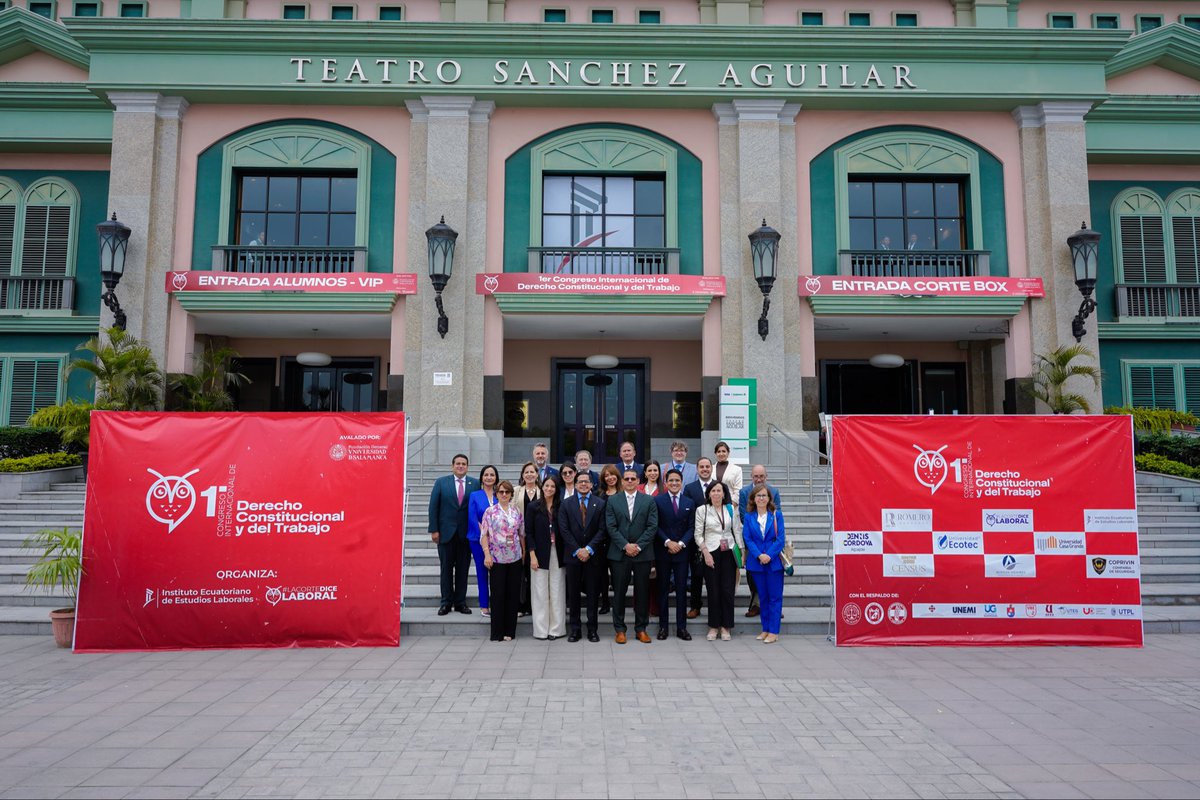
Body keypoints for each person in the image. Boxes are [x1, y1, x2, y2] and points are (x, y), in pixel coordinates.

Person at [605, 468, 659, 644]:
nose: (629, 481)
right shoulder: (613, 500)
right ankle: (620, 629)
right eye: (626, 478)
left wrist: (638, 546)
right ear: (622, 481)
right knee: (619, 592)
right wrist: (625, 546)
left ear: (638, 481)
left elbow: (652, 526)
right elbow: (610, 527)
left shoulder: (649, 500)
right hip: (619, 554)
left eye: (632, 478)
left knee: (642, 592)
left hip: (642, 554)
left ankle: (641, 629)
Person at [427, 454, 479, 616]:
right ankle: (446, 602)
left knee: (463, 570)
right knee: (446, 569)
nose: (461, 466)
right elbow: (433, 507)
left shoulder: (475, 484)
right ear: (452, 466)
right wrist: (434, 530)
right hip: (445, 534)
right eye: (458, 464)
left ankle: (460, 603)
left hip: (466, 535)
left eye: (464, 464)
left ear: (467, 467)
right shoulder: (441, 483)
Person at [558, 471, 606, 642]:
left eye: (587, 481)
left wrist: (589, 549)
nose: (584, 484)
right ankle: (575, 629)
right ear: (575, 484)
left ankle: (592, 629)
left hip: (593, 557)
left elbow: (602, 530)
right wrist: (578, 550)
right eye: (580, 482)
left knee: (593, 594)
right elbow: (563, 530)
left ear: (592, 484)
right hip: (573, 556)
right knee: (574, 595)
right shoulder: (566, 504)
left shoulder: (600, 504)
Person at [695, 481, 741, 641]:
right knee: (713, 591)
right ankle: (714, 626)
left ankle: (726, 626)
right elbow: (698, 534)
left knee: (727, 591)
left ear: (723, 493)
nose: (716, 493)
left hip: (728, 552)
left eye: (719, 491)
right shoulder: (702, 510)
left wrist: (741, 551)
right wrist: (705, 552)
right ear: (708, 494)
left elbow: (737, 530)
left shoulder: (730, 509)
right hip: (711, 552)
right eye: (713, 490)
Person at [480, 481, 524, 642]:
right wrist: (487, 555)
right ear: (496, 494)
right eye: (501, 492)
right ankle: (497, 632)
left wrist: (524, 553)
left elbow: (521, 534)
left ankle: (510, 631)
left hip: (515, 557)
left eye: (507, 492)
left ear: (511, 494)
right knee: (498, 595)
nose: (504, 494)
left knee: (512, 596)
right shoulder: (490, 512)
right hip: (497, 558)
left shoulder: (516, 511)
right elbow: (484, 535)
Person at [654, 468, 694, 640]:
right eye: (671, 481)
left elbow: (692, 527)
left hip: (682, 553)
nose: (674, 483)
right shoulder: (657, 501)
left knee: (681, 591)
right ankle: (663, 627)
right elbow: (655, 525)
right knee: (662, 590)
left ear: (681, 482)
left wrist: (681, 543)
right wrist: (667, 542)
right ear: (666, 482)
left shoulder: (689, 502)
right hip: (663, 551)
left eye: (677, 480)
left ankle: (681, 628)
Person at [738, 464, 783, 618]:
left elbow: (777, 514)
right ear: (751, 476)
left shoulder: (774, 492)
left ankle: (772, 606)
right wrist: (756, 535)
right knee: (753, 575)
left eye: (761, 476)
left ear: (766, 476)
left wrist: (767, 543)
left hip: (770, 543)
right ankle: (756, 604)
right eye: (756, 476)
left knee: (772, 576)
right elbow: (744, 515)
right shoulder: (744, 492)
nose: (758, 479)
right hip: (752, 541)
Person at [743, 484, 786, 644]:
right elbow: (748, 538)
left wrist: (768, 555)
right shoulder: (749, 517)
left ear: (769, 498)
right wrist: (759, 555)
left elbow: (780, 538)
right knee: (763, 597)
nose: (761, 498)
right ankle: (765, 628)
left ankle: (774, 631)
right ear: (753, 499)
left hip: (773, 562)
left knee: (774, 597)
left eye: (764, 495)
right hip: (757, 562)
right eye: (758, 496)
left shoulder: (777, 515)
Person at [526, 475, 566, 640]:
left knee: (557, 591)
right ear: (542, 487)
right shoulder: (533, 507)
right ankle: (541, 630)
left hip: (558, 552)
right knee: (540, 592)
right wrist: (532, 555)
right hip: (539, 552)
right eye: (547, 486)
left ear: (557, 489)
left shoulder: (562, 506)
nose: (549, 489)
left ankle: (556, 630)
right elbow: (528, 532)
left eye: (553, 487)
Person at [683, 456, 716, 620]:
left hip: (715, 538)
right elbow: (688, 512)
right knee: (696, 575)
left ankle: (714, 608)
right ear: (697, 469)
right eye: (701, 467)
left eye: (707, 467)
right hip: (696, 538)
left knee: (713, 576)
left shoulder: (718, 486)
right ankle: (695, 606)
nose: (704, 469)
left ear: (711, 468)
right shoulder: (690, 488)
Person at [466, 465, 499, 617]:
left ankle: (498, 604)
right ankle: (484, 605)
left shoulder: (500, 494)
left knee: (497, 573)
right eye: (486, 475)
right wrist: (484, 533)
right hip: (478, 539)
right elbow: (473, 518)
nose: (489, 477)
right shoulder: (475, 495)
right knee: (482, 571)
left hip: (499, 541)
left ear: (496, 478)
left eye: (492, 475)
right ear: (482, 477)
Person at [514, 461, 542, 617]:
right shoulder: (517, 491)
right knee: (520, 572)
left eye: (532, 472)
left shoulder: (542, 491)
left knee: (534, 573)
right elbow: (511, 510)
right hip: (518, 537)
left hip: (537, 537)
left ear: (537, 475)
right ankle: (520, 605)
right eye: (527, 472)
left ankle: (533, 606)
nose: (530, 474)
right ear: (523, 475)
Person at [596, 463, 622, 616]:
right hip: (602, 539)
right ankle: (605, 602)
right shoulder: (599, 494)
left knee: (617, 573)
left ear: (617, 476)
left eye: (612, 474)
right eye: (606, 476)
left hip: (618, 540)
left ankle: (618, 603)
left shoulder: (623, 493)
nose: (610, 478)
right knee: (602, 574)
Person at [713, 442, 743, 508]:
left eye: (724, 451)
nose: (721, 454)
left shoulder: (737, 469)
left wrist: (731, 506)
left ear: (728, 453)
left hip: (730, 504)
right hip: (713, 505)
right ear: (715, 453)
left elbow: (738, 490)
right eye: (719, 451)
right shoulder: (711, 468)